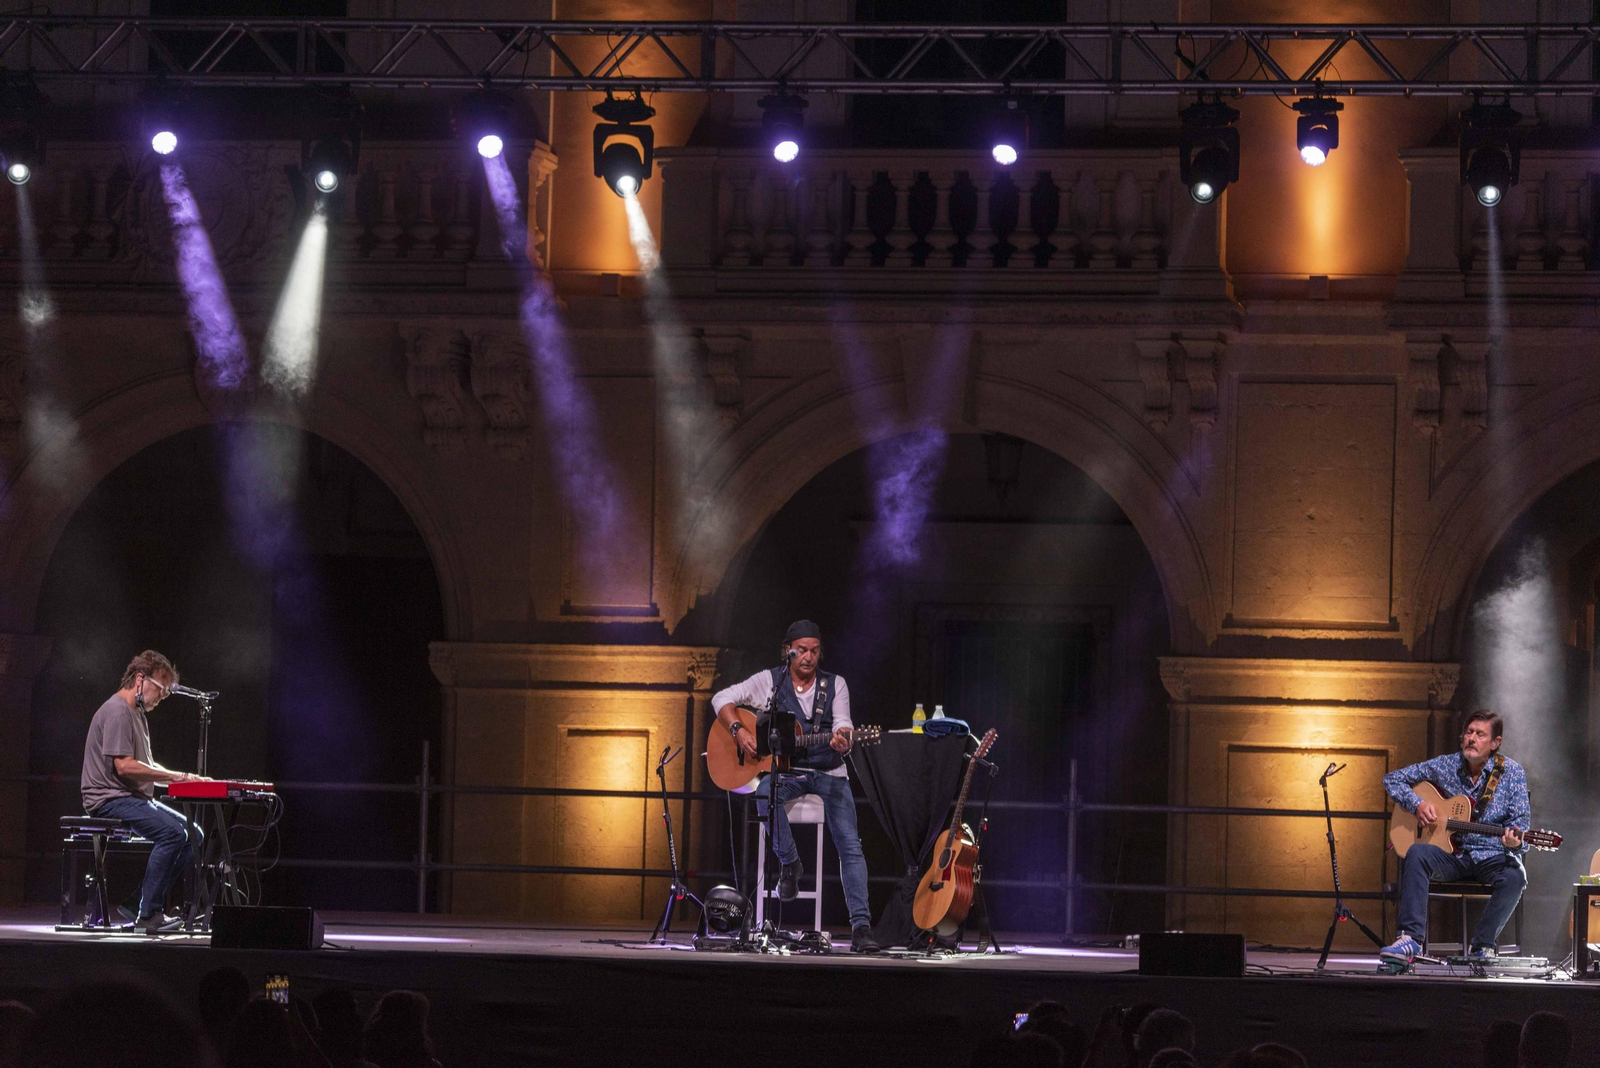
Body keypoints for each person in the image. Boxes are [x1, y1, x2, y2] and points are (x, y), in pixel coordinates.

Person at [710, 619, 880, 952]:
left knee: (850, 845)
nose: (808, 657)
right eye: (801, 650)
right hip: (788, 773)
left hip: (830, 773)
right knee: (763, 792)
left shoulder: (836, 685)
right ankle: (790, 861)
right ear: (788, 651)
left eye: (815, 651)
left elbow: (844, 722)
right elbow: (721, 699)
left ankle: (861, 927)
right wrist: (738, 731)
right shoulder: (769, 682)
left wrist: (843, 739)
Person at [1380, 710, 1530, 966]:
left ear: (1495, 743)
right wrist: (1417, 804)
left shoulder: (1512, 773)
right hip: (1451, 855)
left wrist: (1515, 841)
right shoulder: (1445, 765)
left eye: (1480, 734)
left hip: (1490, 856)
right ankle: (1410, 940)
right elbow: (1392, 779)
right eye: (1469, 732)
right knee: (1416, 852)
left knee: (1516, 876)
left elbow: (1521, 827)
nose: (1471, 738)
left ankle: (1482, 945)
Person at [79, 650, 209, 933]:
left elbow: (146, 766)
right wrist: (178, 776)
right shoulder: (116, 711)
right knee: (173, 834)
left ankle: (139, 901)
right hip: (108, 798)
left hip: (129, 797)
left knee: (194, 834)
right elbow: (125, 767)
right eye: (160, 690)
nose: (161, 698)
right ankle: (149, 914)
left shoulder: (136, 715)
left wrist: (187, 780)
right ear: (140, 679)